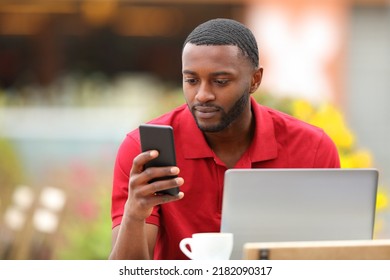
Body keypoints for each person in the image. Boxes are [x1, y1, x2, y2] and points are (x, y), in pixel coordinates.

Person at [109, 18, 340, 260]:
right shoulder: (144, 150)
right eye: (191, 80)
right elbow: (127, 272)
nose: (203, 95)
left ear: (255, 80)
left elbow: (333, 260)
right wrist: (135, 213)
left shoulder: (312, 148)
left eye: (220, 82)